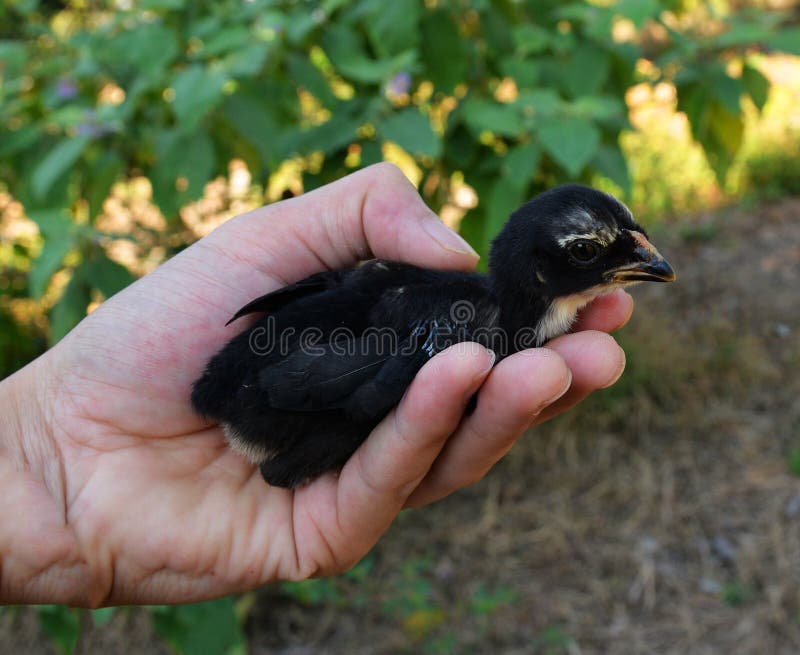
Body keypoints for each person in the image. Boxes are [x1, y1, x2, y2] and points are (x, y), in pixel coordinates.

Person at [0, 163, 631, 607]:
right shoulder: (486, 325)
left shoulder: (482, 321)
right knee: (411, 380)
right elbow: (353, 377)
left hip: (268, 393)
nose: (640, 262)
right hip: (270, 406)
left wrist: (47, 456)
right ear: (541, 268)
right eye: (588, 252)